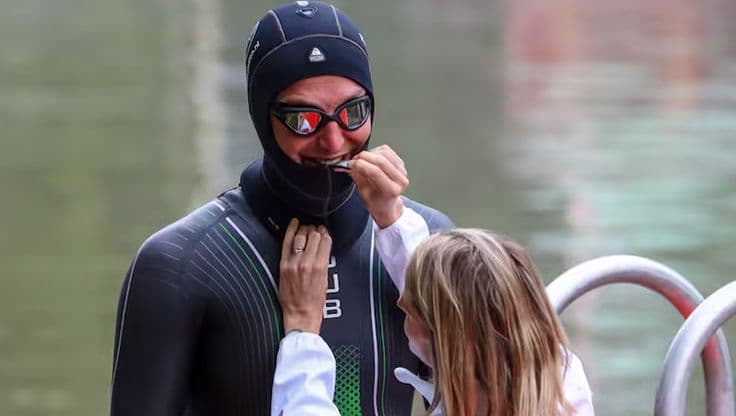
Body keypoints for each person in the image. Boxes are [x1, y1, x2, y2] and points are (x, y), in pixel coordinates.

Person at [109, 2, 452, 415]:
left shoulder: (428, 241)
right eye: (304, 119)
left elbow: (492, 388)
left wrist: (404, 236)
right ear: (261, 117)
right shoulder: (179, 267)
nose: (333, 141)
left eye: (353, 112)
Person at [273, 211, 595, 415]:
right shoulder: (562, 381)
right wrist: (394, 222)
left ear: (448, 343)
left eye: (411, 311)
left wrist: (303, 334)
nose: (399, 304)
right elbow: (468, 306)